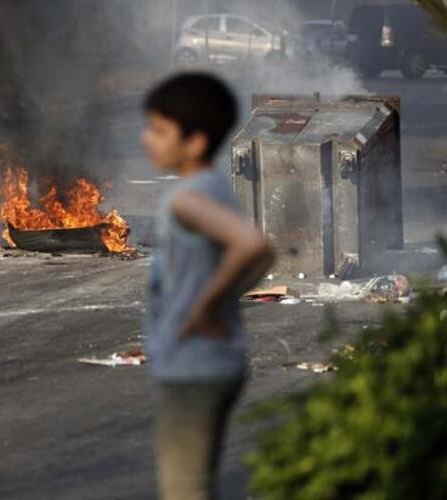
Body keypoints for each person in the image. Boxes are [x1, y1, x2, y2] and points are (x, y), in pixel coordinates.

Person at [141, 73, 275, 500]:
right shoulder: (216, 186)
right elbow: (260, 254)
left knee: (185, 490)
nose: (147, 140)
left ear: (195, 142)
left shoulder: (185, 198)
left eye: (159, 130)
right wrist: (221, 298)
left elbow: (252, 244)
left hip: (191, 367)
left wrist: (204, 305)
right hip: (215, 361)